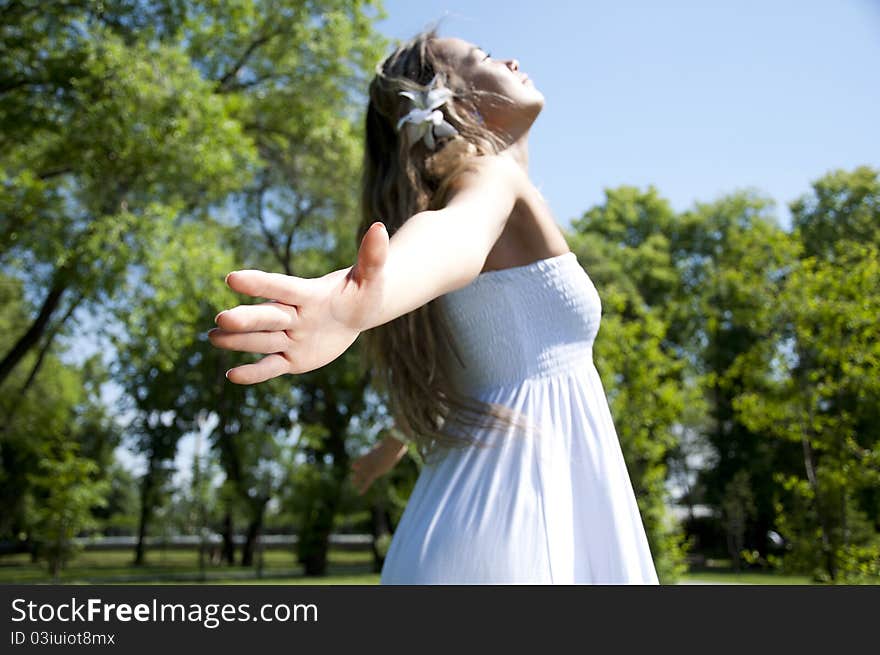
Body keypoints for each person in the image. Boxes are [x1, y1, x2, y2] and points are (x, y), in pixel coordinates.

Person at [208, 26, 660, 585]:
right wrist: (358, 301)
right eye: (485, 57)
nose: (513, 58)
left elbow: (484, 366)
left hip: (466, 520)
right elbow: (451, 238)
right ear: (455, 101)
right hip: (514, 529)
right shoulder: (488, 180)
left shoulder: (493, 194)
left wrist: (389, 445)